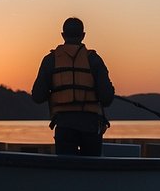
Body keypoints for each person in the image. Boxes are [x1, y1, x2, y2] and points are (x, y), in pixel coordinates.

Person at [31, 17, 115, 156]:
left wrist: (55, 89)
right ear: (83, 35)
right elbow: (107, 99)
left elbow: (37, 96)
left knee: (66, 170)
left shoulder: (50, 60)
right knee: (91, 170)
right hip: (91, 127)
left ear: (63, 35)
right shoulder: (94, 59)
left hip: (64, 126)